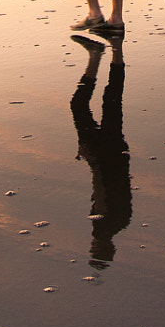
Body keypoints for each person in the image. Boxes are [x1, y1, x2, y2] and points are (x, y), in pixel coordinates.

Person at [69, 32, 131, 267]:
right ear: (105, 247)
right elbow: (102, 191)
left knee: (113, 99)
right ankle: (97, 55)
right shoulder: (103, 227)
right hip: (103, 157)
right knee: (79, 106)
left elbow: (120, 187)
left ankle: (115, 47)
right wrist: (91, 159)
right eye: (96, 250)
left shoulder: (123, 222)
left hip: (118, 156)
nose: (92, 246)